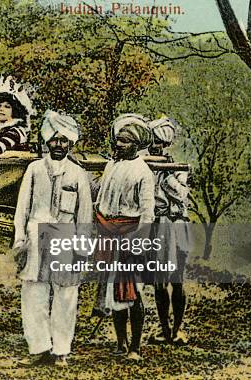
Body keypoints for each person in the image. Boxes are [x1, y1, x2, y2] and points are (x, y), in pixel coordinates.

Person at [13, 110, 93, 366]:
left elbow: (85, 215)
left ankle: (61, 350)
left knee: (66, 295)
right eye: (54, 140)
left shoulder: (78, 173)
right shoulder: (34, 169)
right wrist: (19, 239)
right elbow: (22, 208)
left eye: (64, 141)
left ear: (71, 143)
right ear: (46, 141)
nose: (58, 145)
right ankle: (38, 348)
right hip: (36, 235)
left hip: (66, 237)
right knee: (33, 293)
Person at [94, 114, 155, 361]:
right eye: (118, 140)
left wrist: (137, 242)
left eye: (126, 141)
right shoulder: (111, 165)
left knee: (133, 289)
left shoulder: (143, 172)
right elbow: (101, 200)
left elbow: (147, 213)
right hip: (108, 230)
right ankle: (120, 342)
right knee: (113, 289)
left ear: (136, 145)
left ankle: (135, 347)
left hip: (130, 233)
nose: (119, 145)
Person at [147, 117, 191, 345]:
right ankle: (163, 329)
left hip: (177, 224)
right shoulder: (146, 167)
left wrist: (166, 175)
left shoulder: (177, 167)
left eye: (161, 144)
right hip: (158, 225)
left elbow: (182, 196)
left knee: (178, 280)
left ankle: (178, 329)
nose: (157, 148)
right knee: (159, 281)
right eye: (154, 143)